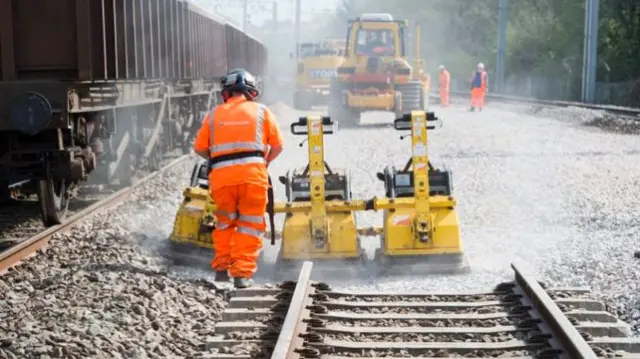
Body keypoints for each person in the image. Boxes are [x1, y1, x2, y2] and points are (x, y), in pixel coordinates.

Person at [193, 68, 284, 289]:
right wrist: (263, 162)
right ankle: (241, 275)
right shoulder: (263, 112)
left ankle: (221, 270)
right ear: (251, 92)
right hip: (253, 178)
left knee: (225, 223)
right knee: (250, 225)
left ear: (226, 93)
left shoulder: (214, 114)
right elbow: (278, 146)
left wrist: (219, 158)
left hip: (222, 180)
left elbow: (200, 148)